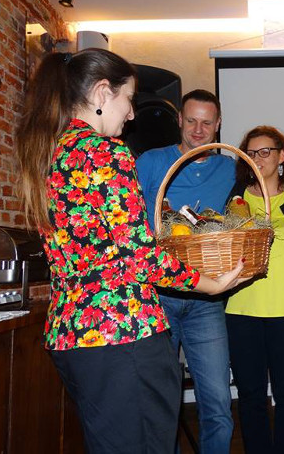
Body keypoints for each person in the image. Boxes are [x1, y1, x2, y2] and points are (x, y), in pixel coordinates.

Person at [14, 49, 246, 454]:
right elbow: (141, 257)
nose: (132, 113)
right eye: (129, 98)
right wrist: (211, 284)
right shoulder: (106, 153)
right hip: (121, 331)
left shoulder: (52, 154)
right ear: (103, 92)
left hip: (71, 335)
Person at [136, 90, 284, 453]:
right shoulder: (152, 162)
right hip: (161, 298)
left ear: (218, 125)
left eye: (207, 122)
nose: (198, 130)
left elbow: (272, 187)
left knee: (219, 403)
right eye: (191, 120)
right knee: (160, 400)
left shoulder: (228, 170)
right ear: (179, 120)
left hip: (209, 300)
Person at [225, 126, 284, 454]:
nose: (258, 158)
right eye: (252, 153)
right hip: (241, 311)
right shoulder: (235, 198)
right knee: (250, 396)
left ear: (281, 156)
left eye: (266, 151)